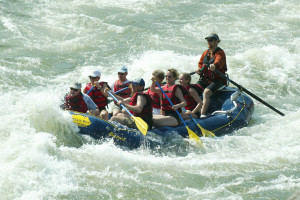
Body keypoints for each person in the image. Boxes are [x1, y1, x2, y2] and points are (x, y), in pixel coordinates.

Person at [196, 33, 227, 117]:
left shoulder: (220, 52)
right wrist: (199, 70)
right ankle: (193, 110)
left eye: (211, 40)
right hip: (205, 79)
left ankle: (202, 114)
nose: (209, 42)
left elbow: (219, 61)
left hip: (217, 80)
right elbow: (201, 63)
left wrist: (214, 65)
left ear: (217, 41)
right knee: (192, 89)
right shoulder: (206, 52)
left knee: (206, 92)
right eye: (208, 40)